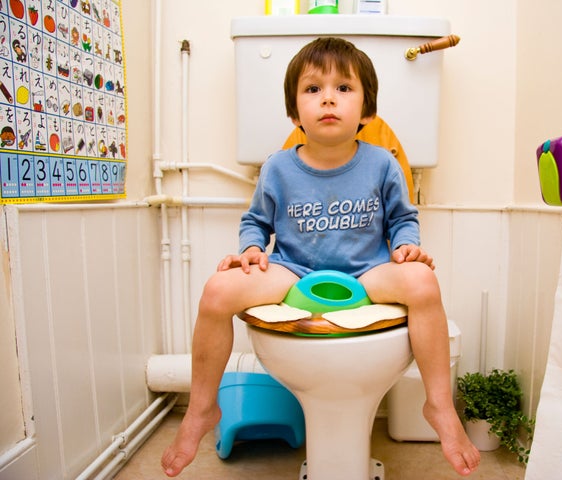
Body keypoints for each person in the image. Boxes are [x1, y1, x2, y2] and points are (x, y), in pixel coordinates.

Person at [161, 36, 481, 477]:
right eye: (313, 89)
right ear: (295, 113)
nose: (328, 98)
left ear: (367, 111)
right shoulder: (277, 166)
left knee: (424, 284)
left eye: (343, 89)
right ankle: (201, 409)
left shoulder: (383, 164)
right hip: (294, 272)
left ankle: (439, 406)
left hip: (366, 271)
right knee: (217, 290)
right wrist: (251, 250)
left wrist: (406, 246)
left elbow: (402, 220)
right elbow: (256, 222)